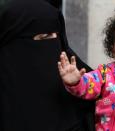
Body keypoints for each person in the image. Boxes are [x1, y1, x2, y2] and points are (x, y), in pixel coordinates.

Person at [0, 0, 95, 131]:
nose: (54, 44)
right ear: (14, 43)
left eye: (57, 36)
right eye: (45, 36)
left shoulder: (84, 89)